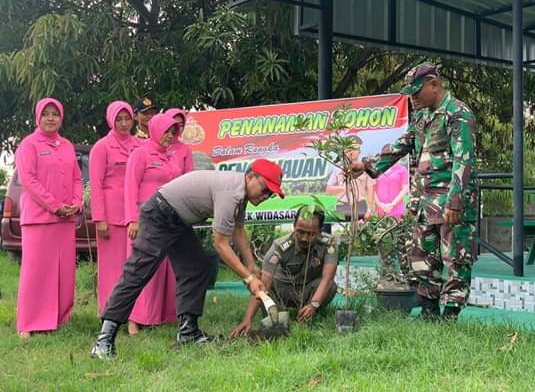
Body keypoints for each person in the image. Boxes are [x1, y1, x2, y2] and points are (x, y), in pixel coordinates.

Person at [90, 158, 284, 359]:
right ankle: (104, 341)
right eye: (265, 189)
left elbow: (238, 229)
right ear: (250, 177)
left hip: (178, 219)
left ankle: (188, 332)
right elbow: (221, 245)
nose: (266, 196)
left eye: (270, 194)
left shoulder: (240, 193)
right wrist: (249, 279)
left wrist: (251, 265)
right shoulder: (232, 193)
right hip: (160, 214)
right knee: (138, 272)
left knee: (197, 267)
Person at [351, 62, 478, 320]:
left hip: (449, 203)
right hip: (425, 202)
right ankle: (430, 311)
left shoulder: (458, 114)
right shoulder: (422, 116)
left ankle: (450, 315)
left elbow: (463, 160)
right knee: (423, 257)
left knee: (455, 259)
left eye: (417, 91)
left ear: (435, 84)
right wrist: (366, 164)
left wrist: (455, 201)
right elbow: (403, 144)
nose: (414, 98)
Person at [15, 98, 83, 338]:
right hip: (39, 219)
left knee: (64, 271)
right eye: (46, 114)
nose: (51, 118)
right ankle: (28, 322)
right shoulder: (29, 145)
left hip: (65, 220)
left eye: (55, 114)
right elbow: (28, 180)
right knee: (36, 272)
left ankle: (59, 317)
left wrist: (76, 203)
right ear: (38, 117)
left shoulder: (66, 145)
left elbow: (76, 178)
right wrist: (55, 206)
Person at [124, 113, 188, 334]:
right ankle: (133, 319)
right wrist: (133, 220)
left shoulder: (172, 157)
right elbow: (130, 187)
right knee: (141, 267)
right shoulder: (140, 154)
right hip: (145, 218)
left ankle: (158, 316)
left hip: (169, 219)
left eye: (173, 132)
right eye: (166, 131)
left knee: (163, 269)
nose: (170, 136)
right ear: (155, 130)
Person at [230, 207, 337, 337]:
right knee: (263, 285)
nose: (304, 238)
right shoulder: (280, 246)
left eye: (311, 234)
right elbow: (263, 284)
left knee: (330, 286)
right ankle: (276, 320)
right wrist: (247, 319)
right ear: (294, 226)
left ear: (320, 232)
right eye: (300, 232)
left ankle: (308, 315)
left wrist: (314, 304)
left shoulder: (329, 244)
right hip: (283, 292)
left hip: (309, 292)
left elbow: (327, 278)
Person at [90, 101, 142, 315]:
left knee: (135, 266)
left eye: (127, 118)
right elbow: (96, 184)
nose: (123, 123)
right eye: (118, 119)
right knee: (112, 269)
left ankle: (135, 313)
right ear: (110, 121)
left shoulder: (140, 145)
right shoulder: (101, 147)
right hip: (111, 217)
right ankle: (110, 313)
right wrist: (99, 218)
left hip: (136, 215)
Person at [325, 135, 374, 219]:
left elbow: (370, 190)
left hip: (360, 206)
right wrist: (344, 188)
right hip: (342, 206)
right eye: (349, 149)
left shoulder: (366, 168)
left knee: (360, 230)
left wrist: (369, 210)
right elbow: (328, 190)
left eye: (355, 149)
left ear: (359, 151)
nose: (352, 152)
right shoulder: (338, 168)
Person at [374, 152, 409, 219]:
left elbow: (405, 189)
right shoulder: (376, 170)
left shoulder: (402, 169)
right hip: (380, 210)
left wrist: (392, 204)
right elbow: (373, 190)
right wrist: (381, 205)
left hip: (397, 209)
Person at [164, 108, 194, 174]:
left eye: (180, 125)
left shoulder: (185, 150)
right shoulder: (151, 145)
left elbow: (189, 176)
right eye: (173, 124)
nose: (177, 128)